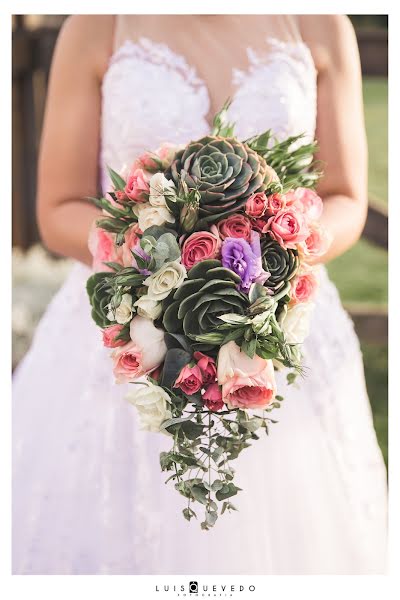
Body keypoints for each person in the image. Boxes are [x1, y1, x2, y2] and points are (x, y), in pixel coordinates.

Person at [12, 14, 387, 574]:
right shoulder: (97, 24)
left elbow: (345, 197)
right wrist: (154, 259)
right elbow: (59, 206)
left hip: (282, 318)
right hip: (125, 322)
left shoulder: (321, 24)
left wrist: (273, 253)